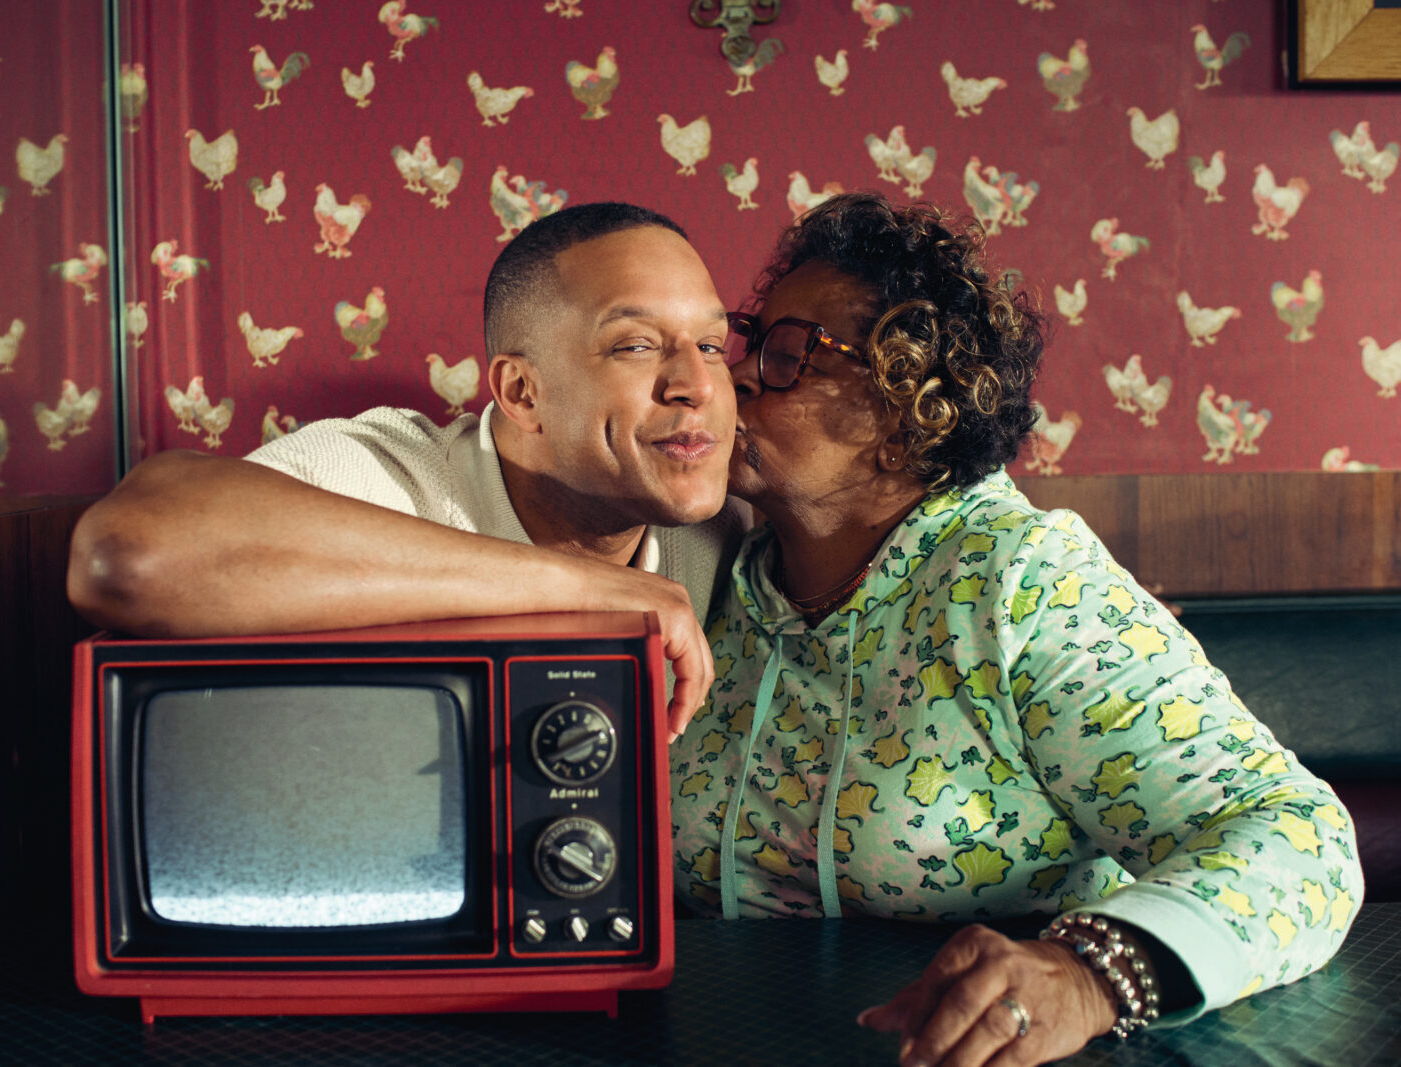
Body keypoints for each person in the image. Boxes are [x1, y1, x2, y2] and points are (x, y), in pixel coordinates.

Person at [671, 193, 1362, 1065]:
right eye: (748, 341)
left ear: (911, 406)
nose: (731, 378)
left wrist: (1086, 976)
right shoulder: (708, 566)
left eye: (786, 353)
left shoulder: (1024, 583)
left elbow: (1300, 837)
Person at [67, 202, 746, 729]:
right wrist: (592, 589)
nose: (697, 382)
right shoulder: (392, 474)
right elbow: (127, 553)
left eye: (713, 345)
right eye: (634, 345)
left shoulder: (724, 524)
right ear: (521, 392)